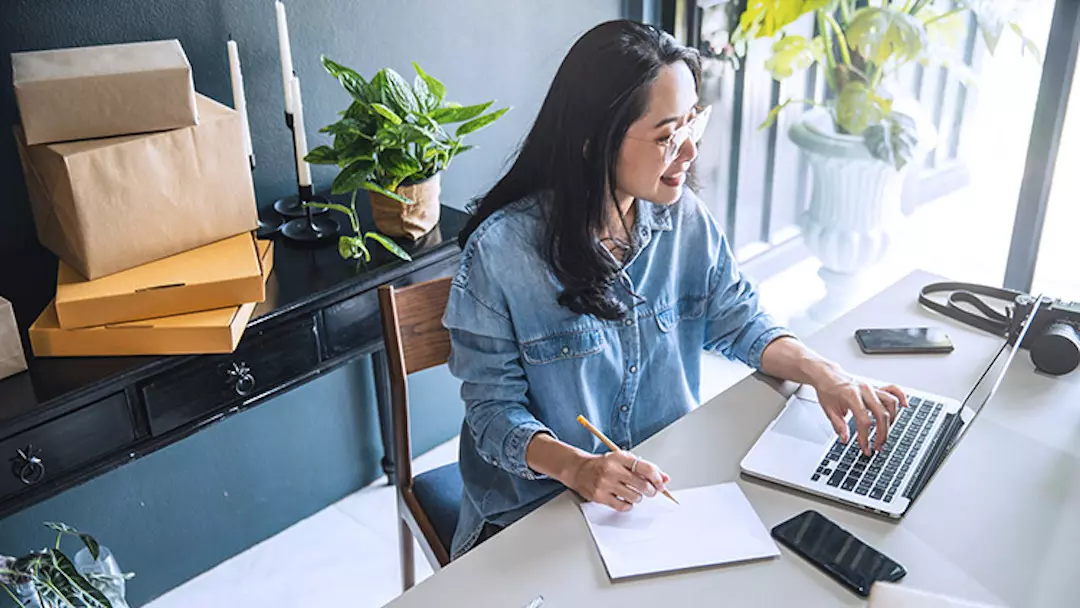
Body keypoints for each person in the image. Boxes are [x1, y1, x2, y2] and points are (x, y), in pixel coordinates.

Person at [441, 19, 908, 560]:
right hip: (536, 510)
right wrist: (580, 468)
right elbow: (493, 415)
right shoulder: (501, 254)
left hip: (659, 492)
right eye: (667, 137)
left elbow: (739, 318)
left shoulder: (684, 219)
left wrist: (826, 373)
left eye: (692, 125)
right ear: (594, 144)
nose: (688, 154)